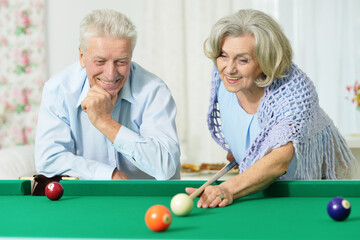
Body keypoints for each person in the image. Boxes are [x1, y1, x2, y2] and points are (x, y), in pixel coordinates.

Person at [186, 9, 356, 208]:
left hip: (323, 189)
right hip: (268, 188)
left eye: (243, 60)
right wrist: (245, 152)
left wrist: (228, 189)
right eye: (224, 55)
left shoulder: (295, 91)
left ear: (267, 59)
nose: (229, 68)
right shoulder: (223, 77)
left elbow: (279, 160)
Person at [35, 9, 180, 180]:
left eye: (121, 62)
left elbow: (166, 166)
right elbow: (49, 160)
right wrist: (109, 175)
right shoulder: (58, 90)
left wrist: (104, 121)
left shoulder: (154, 91)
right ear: (82, 56)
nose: (111, 74)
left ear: (131, 57)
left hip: (147, 201)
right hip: (85, 201)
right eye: (100, 62)